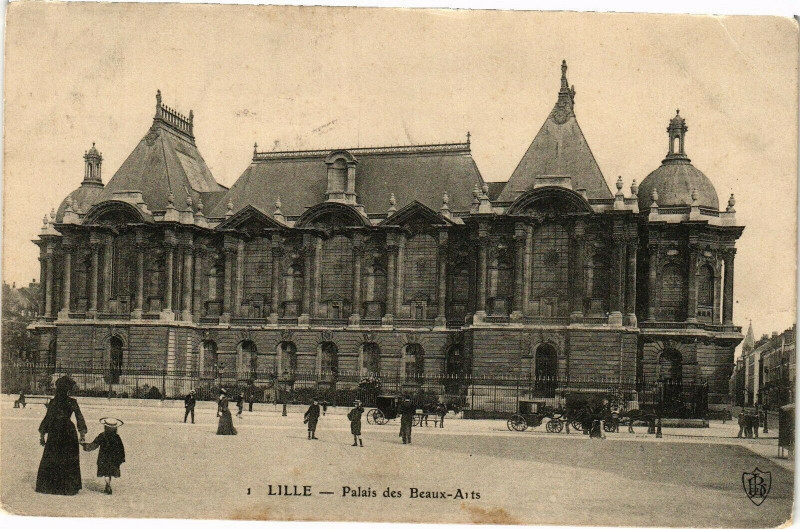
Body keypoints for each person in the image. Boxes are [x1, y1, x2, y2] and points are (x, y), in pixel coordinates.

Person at [36, 376, 87, 495]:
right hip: (69, 431)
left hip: (55, 431)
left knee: (53, 456)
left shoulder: (53, 402)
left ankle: (50, 487)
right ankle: (68, 487)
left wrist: (42, 434)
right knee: (68, 458)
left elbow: (48, 418)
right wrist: (82, 434)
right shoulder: (72, 402)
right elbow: (79, 417)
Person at [82, 417, 125, 495]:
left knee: (106, 473)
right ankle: (108, 485)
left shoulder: (102, 436)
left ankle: (107, 485)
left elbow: (94, 445)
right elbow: (121, 449)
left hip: (103, 458)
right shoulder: (117, 437)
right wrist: (121, 458)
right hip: (114, 459)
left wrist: (85, 445)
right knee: (110, 472)